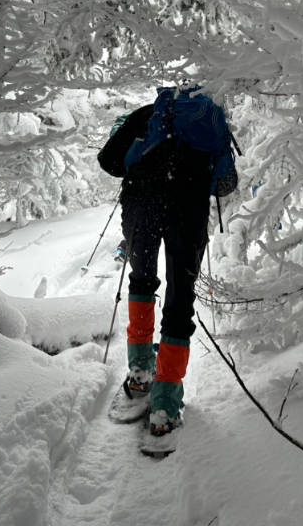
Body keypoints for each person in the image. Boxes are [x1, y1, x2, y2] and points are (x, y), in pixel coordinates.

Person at [98, 85, 238, 438]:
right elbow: (225, 184)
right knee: (180, 300)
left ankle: (140, 373)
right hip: (187, 211)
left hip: (142, 206)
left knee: (142, 281)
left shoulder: (147, 115)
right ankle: (165, 403)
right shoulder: (210, 121)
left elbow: (109, 161)